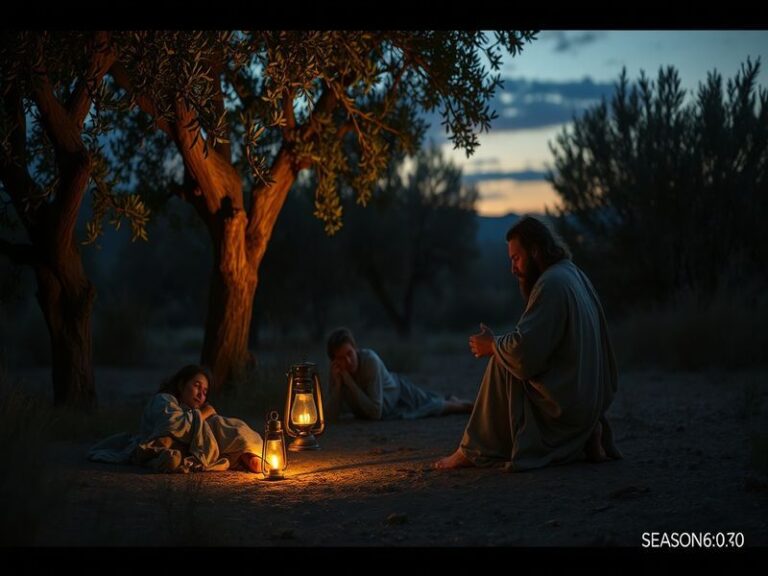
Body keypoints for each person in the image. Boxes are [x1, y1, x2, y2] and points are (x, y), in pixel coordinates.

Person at [435, 215, 622, 471]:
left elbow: (523, 354)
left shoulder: (551, 284)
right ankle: (587, 436)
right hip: (588, 402)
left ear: (535, 251)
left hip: (568, 406)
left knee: (502, 364)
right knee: (504, 352)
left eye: (516, 258)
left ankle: (471, 451)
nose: (513, 268)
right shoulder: (572, 273)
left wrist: (492, 345)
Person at [88, 364, 263, 474]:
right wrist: (204, 413)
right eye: (197, 386)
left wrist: (205, 417)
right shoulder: (163, 400)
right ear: (181, 384)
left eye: (205, 392)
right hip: (163, 442)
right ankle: (162, 456)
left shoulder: (192, 411)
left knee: (226, 426)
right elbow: (172, 424)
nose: (201, 394)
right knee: (169, 444)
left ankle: (247, 453)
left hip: (189, 444)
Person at [324, 327, 473, 421]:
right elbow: (330, 417)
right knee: (436, 402)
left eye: (350, 353)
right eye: (341, 358)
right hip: (390, 410)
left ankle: (474, 407)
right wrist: (337, 386)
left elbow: (375, 413)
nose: (348, 361)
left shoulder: (369, 361)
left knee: (441, 406)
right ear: (334, 361)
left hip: (400, 392)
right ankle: (454, 400)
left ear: (355, 348)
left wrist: (349, 381)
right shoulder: (337, 371)